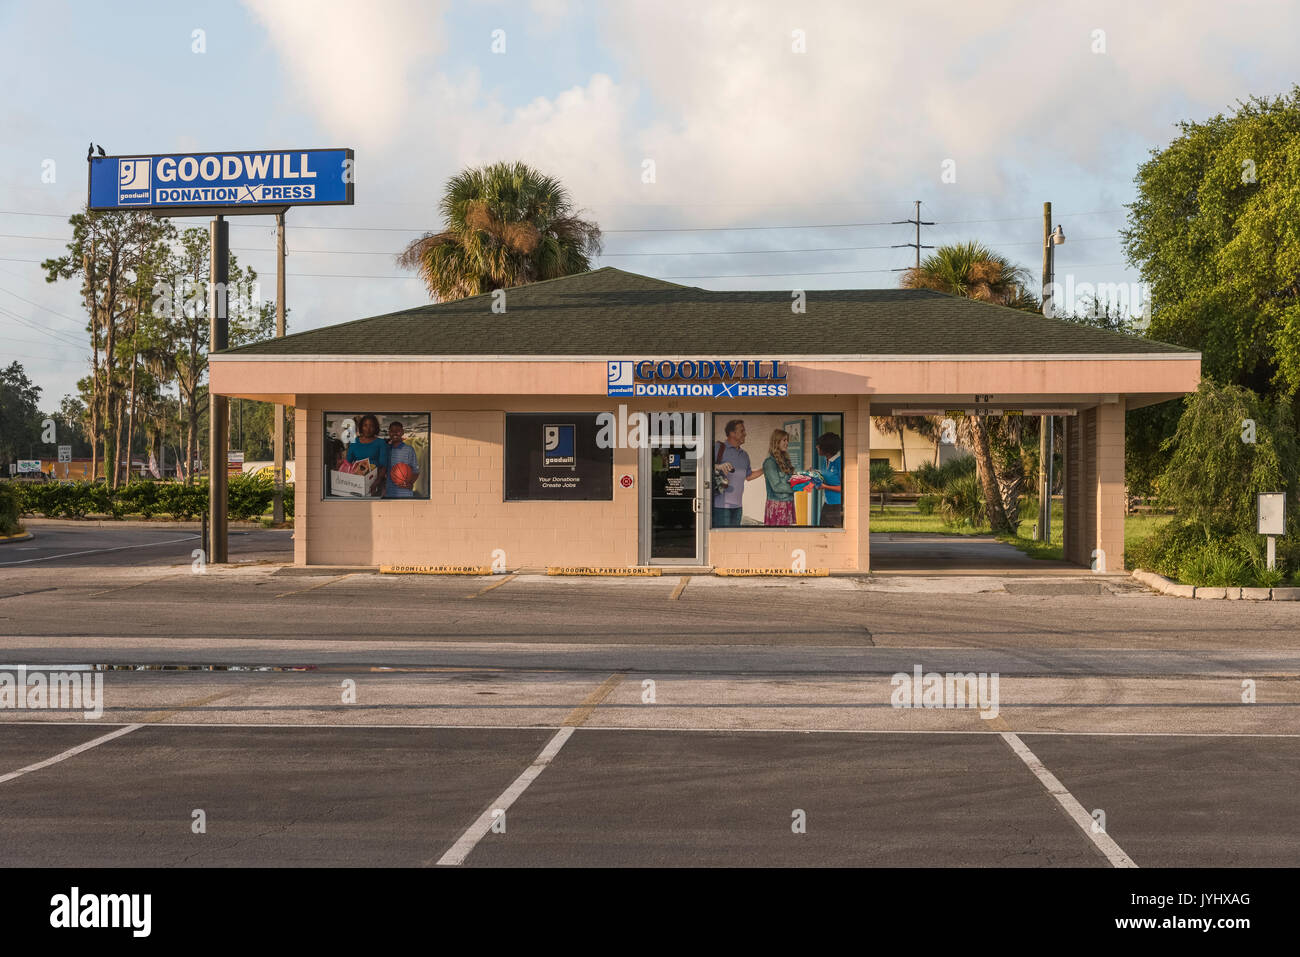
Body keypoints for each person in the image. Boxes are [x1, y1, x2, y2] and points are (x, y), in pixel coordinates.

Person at [711, 419, 763, 526]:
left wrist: (764, 469)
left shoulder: (744, 455)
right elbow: (703, 467)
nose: (745, 434)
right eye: (742, 431)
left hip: (738, 507)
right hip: (721, 507)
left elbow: (748, 476)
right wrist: (718, 466)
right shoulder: (718, 448)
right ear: (732, 433)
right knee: (722, 539)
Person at [346, 413, 389, 495]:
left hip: (374, 483)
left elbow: (383, 466)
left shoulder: (381, 443)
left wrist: (377, 482)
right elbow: (348, 462)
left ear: (375, 428)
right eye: (365, 425)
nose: (368, 429)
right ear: (361, 427)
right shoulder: (354, 441)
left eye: (371, 426)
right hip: (356, 482)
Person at [762, 429, 796, 526]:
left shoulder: (785, 460)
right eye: (784, 440)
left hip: (788, 504)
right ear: (776, 442)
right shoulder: (770, 462)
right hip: (777, 506)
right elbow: (776, 486)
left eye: (787, 440)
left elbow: (790, 480)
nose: (787, 443)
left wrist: (805, 476)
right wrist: (796, 488)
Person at [383, 420, 420, 498]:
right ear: (389, 433)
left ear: (403, 432)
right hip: (389, 492)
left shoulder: (409, 449)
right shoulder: (386, 449)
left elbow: (416, 471)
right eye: (392, 431)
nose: (395, 433)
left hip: (405, 493)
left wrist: (410, 483)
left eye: (398, 431)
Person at [815, 431, 843, 527]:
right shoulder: (825, 460)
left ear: (826, 448)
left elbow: (843, 488)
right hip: (827, 504)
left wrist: (824, 486)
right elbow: (827, 476)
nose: (816, 447)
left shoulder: (839, 463)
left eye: (818, 445)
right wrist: (815, 474)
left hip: (837, 506)